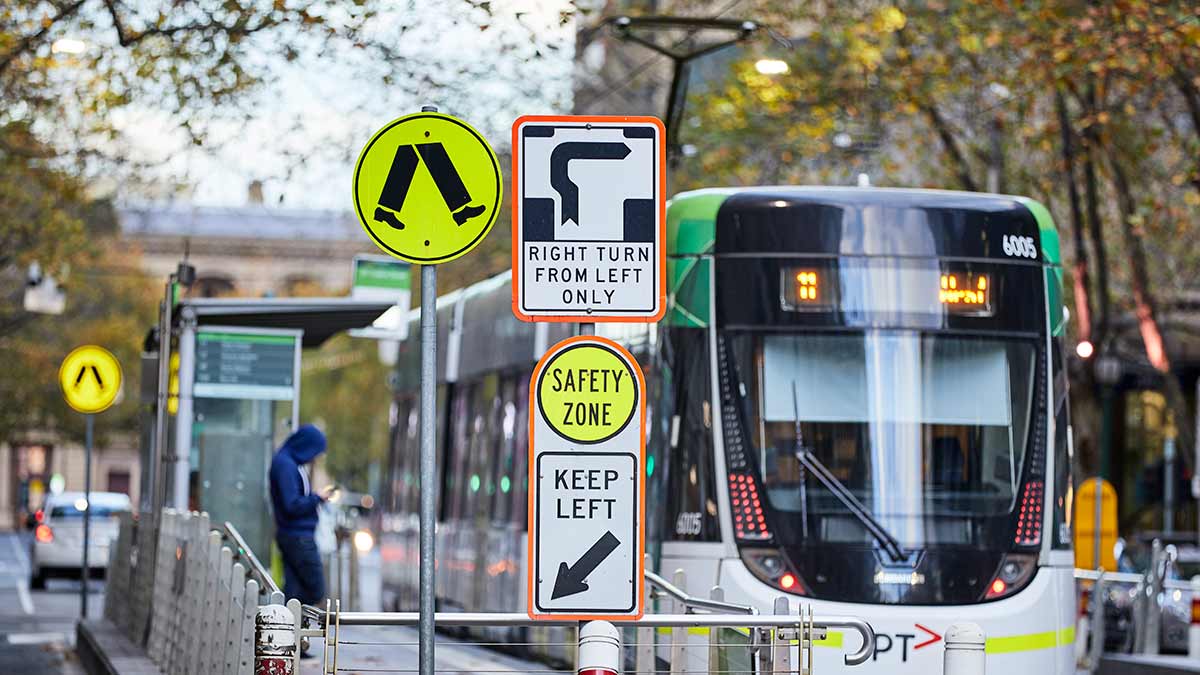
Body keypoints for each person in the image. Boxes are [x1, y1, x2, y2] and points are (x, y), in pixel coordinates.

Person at [269, 424, 333, 606]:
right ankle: (284, 616)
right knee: (316, 589)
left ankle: (288, 623)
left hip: (295, 535)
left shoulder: (289, 463)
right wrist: (317, 498)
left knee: (294, 589)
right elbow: (292, 504)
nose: (315, 457)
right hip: (298, 536)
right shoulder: (286, 465)